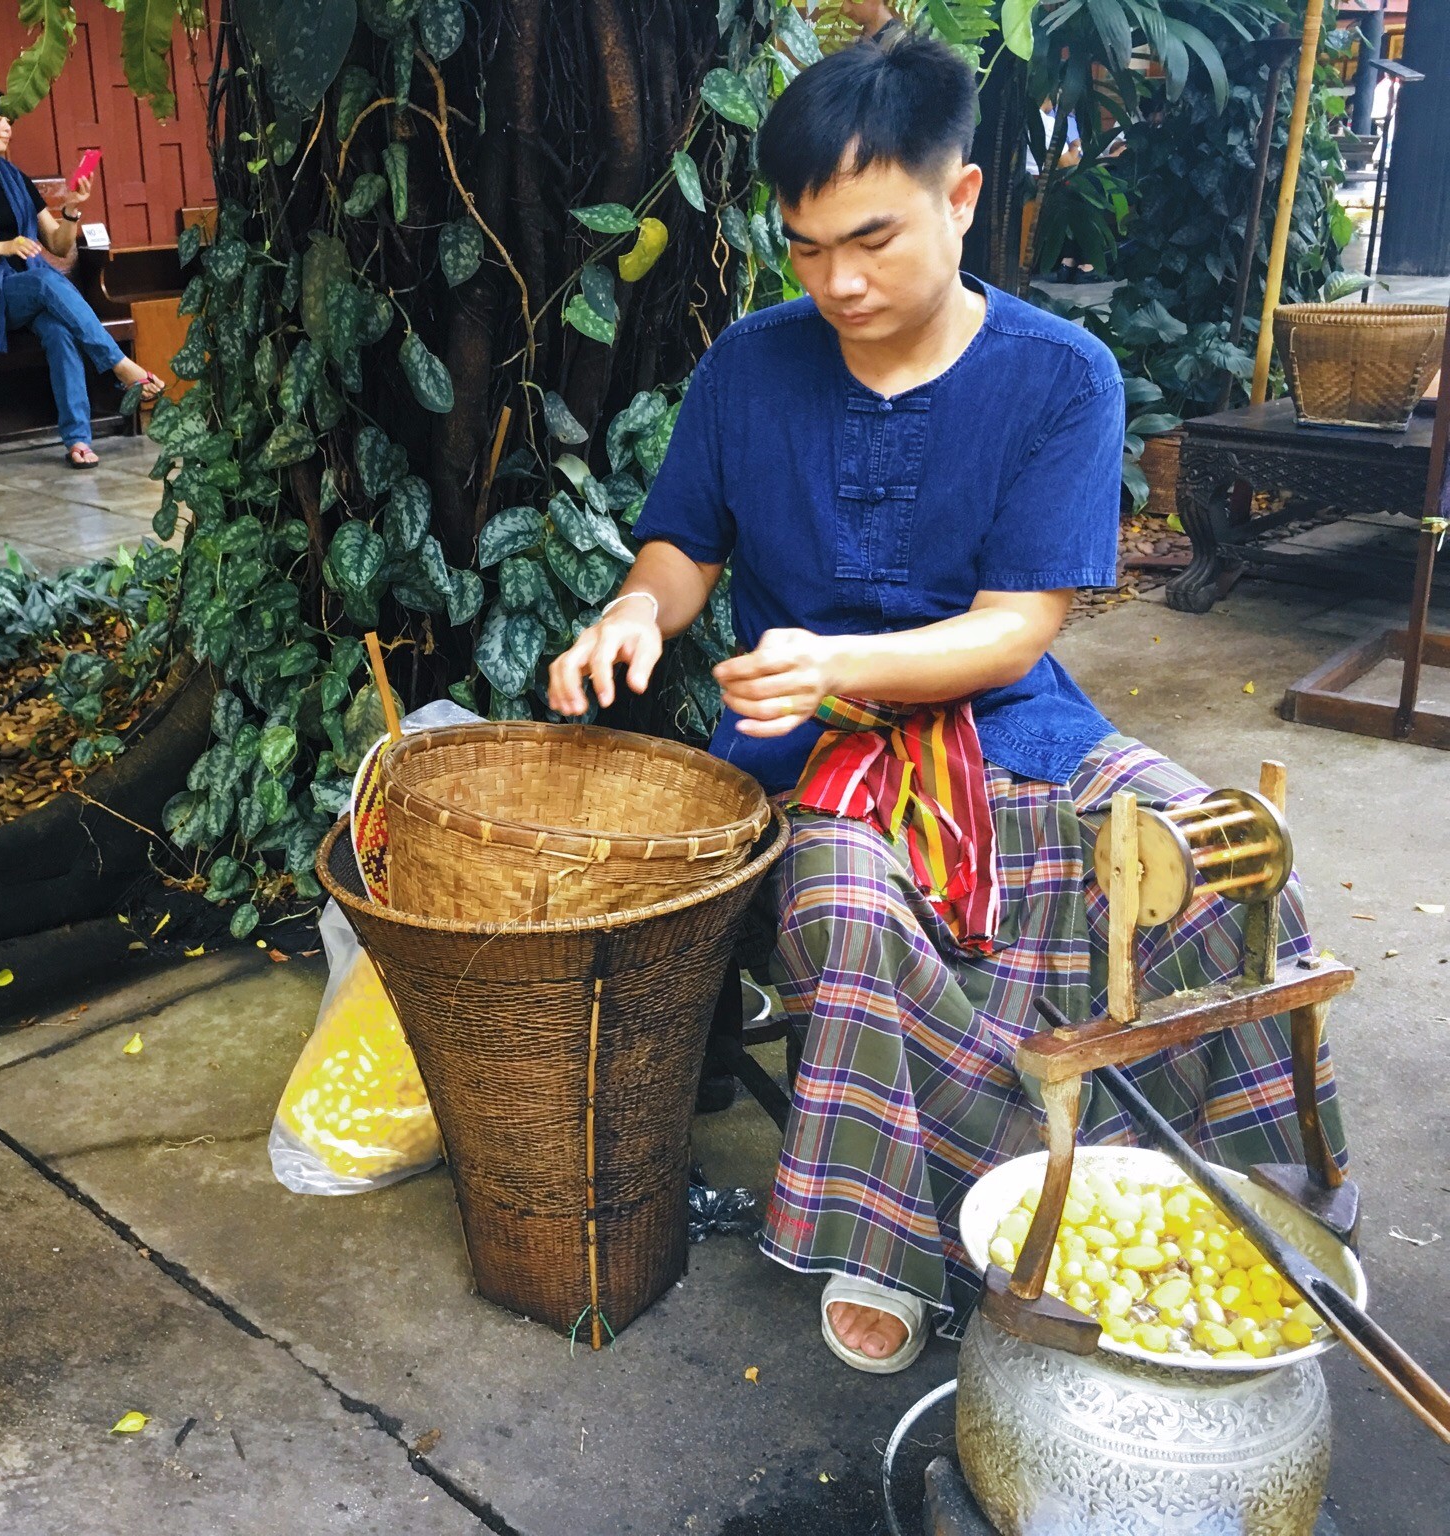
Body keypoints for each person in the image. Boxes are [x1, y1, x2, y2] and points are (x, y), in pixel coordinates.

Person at [547, 33, 1345, 1375]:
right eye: (805, 248)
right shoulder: (751, 367)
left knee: (1220, 862)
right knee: (846, 911)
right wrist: (637, 608)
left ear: (961, 198)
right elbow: (682, 546)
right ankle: (900, 1234)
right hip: (808, 757)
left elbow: (1014, 629)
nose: (838, 281)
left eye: (872, 238)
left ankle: (1246, 1197)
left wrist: (838, 661)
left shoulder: (1059, 376)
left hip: (1016, 727)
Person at [0, 84, 163, 468]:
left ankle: (77, 439)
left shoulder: (15, 178)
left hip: (29, 289)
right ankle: (119, 365)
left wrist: (72, 211)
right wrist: (4, 247)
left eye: (9, 120)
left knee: (59, 330)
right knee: (45, 283)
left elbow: (58, 247)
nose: (8, 126)